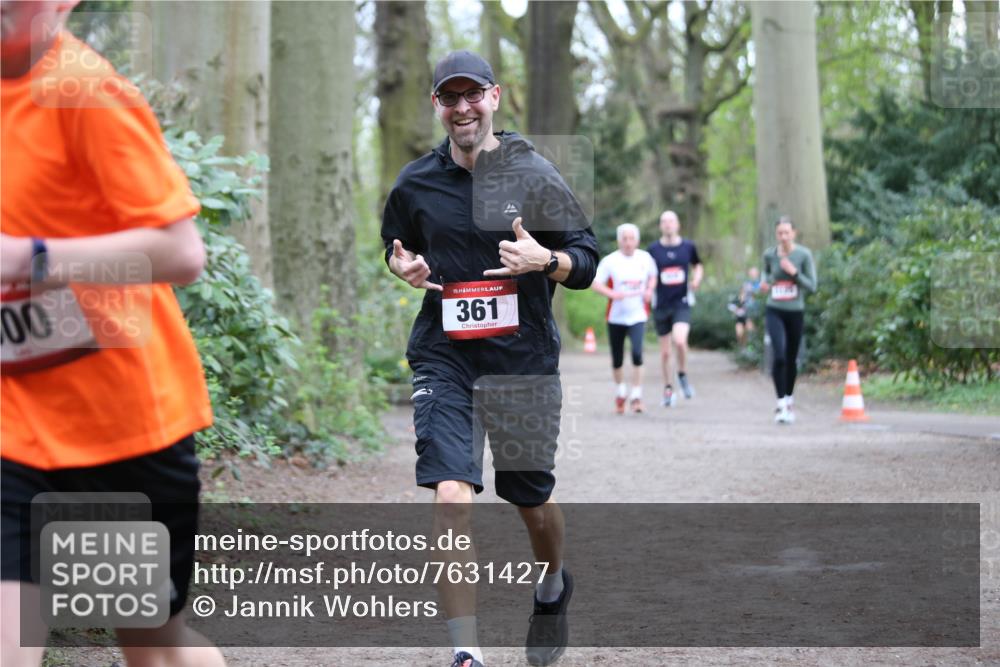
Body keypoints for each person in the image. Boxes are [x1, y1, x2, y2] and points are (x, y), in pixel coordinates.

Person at [1, 2, 225, 666]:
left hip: (122, 429)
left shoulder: (84, 90)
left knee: (153, 649)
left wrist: (31, 259)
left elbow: (181, 252)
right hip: (14, 429)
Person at [381, 50, 598, 667]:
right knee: (451, 493)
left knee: (530, 496)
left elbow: (586, 260)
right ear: (437, 107)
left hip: (522, 359)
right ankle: (465, 654)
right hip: (445, 357)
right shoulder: (415, 182)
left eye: (472, 95)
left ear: (495, 97)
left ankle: (553, 583)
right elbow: (395, 248)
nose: (462, 108)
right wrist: (404, 267)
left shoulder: (534, 174)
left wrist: (545, 262)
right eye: (450, 98)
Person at [591, 223, 657, 413]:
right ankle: (621, 392)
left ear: (637, 240)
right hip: (616, 317)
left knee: (637, 354)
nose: (628, 243)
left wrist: (650, 290)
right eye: (624, 239)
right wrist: (611, 293)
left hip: (638, 315)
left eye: (631, 239)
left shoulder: (645, 258)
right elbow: (594, 283)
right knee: (617, 358)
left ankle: (636, 396)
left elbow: (653, 276)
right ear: (619, 241)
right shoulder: (611, 261)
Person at [759, 216, 817, 424]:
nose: (783, 237)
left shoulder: (803, 255)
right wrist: (764, 283)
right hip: (774, 309)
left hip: (795, 311)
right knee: (780, 355)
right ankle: (781, 402)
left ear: (794, 233)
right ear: (776, 235)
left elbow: (812, 285)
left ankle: (790, 399)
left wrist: (795, 273)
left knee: (791, 358)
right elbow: (765, 275)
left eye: (786, 232)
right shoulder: (769, 255)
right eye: (779, 233)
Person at [647, 210, 703, 407]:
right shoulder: (653, 250)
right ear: (661, 226)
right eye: (664, 222)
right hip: (661, 305)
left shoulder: (688, 246)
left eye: (671, 221)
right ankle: (668, 389)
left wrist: (696, 279)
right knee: (665, 353)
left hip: (682, 303)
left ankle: (682, 374)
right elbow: (647, 273)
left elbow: (698, 265)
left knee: (680, 341)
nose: (668, 225)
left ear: (677, 225)